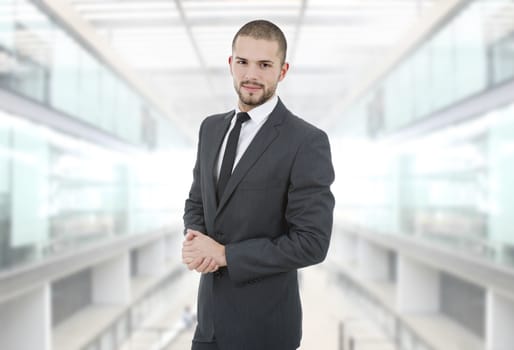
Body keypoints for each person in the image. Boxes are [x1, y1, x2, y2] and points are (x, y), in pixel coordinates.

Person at [182, 19, 335, 350]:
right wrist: (194, 240)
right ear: (230, 64)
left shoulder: (306, 141)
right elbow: (197, 200)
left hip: (265, 333)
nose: (251, 74)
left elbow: (312, 242)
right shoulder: (210, 129)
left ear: (283, 71)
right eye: (243, 62)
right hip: (208, 328)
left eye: (264, 65)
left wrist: (226, 255)